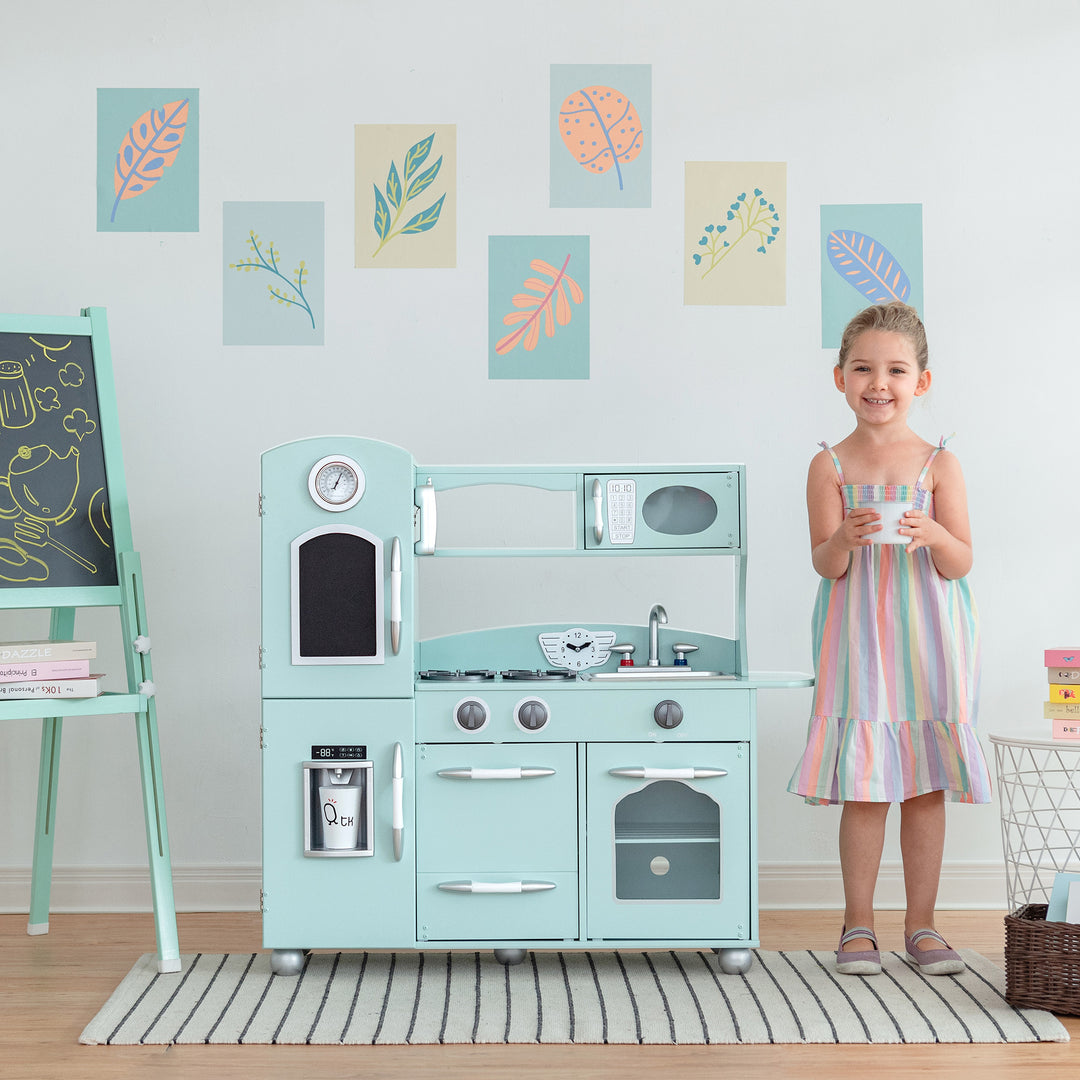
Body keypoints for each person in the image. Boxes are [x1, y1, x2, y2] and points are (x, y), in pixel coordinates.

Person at [787, 301, 992, 976]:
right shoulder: (830, 467)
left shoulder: (939, 463)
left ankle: (924, 926)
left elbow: (960, 560)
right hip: (860, 647)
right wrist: (842, 537)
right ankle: (858, 925)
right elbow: (826, 563)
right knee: (867, 787)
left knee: (926, 785)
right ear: (839, 377)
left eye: (896, 370)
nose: (880, 382)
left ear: (921, 383)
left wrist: (933, 533)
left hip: (929, 643)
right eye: (864, 368)